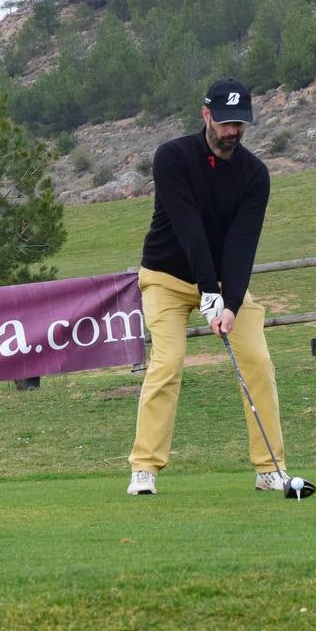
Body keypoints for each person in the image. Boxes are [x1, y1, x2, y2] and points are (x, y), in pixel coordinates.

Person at [127, 78, 287, 496]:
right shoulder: (172, 158)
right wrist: (207, 290)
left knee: (257, 361)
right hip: (165, 277)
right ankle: (144, 467)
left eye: (239, 124)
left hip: (221, 284)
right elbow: (189, 230)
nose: (232, 131)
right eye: (225, 122)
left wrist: (229, 303)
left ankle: (270, 469)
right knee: (168, 361)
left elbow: (241, 246)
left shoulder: (255, 175)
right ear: (206, 115)